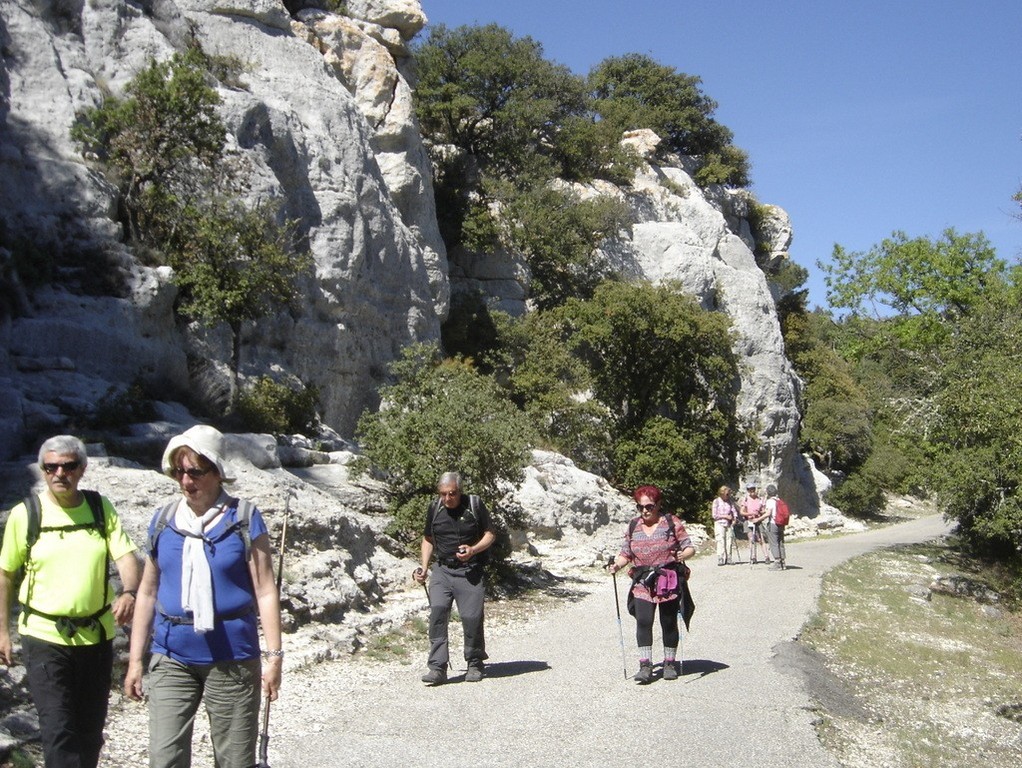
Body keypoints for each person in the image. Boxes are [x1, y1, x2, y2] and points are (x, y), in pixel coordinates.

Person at [124, 425, 283, 768]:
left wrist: (274, 657)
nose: (185, 481)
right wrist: (135, 660)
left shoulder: (243, 519)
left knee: (234, 760)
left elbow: (266, 591)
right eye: (179, 471)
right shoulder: (164, 520)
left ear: (217, 472)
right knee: (164, 758)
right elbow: (148, 592)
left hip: (232, 658)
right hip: (171, 655)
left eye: (195, 471)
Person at [0, 435, 141, 768]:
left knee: (90, 731)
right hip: (44, 637)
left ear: (82, 469)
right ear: (43, 470)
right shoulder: (27, 514)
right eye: (50, 467)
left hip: (97, 636)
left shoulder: (98, 507)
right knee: (59, 729)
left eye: (68, 465)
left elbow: (125, 556)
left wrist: (129, 591)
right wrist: (3, 632)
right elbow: (5, 574)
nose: (59, 473)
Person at [413, 472, 495, 685]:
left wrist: (473, 549)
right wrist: (423, 567)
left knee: (471, 617)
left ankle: (475, 660)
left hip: (470, 571)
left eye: (452, 494)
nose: (448, 499)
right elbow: (428, 539)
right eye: (443, 494)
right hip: (442, 570)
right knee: (438, 612)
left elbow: (490, 534)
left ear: (460, 491)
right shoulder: (435, 508)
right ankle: (437, 667)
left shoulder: (474, 505)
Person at [609, 485, 695, 684]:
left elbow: (688, 546)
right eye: (640, 507)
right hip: (642, 582)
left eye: (649, 506)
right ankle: (645, 665)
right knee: (644, 620)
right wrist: (616, 566)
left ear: (658, 505)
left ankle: (669, 663)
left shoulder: (671, 523)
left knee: (668, 621)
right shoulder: (633, 525)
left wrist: (684, 554)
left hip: (667, 580)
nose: (645, 511)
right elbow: (626, 553)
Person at [740, 484, 771, 564]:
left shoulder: (760, 499)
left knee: (761, 539)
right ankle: (753, 557)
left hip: (758, 521)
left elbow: (763, 510)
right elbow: (742, 512)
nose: (752, 491)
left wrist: (760, 512)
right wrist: (750, 513)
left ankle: (766, 556)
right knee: (751, 539)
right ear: (748, 491)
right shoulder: (746, 499)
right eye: (750, 489)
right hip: (749, 521)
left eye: (753, 489)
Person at [711, 485, 739, 565]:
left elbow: (734, 511)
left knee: (729, 540)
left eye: (728, 494)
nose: (728, 496)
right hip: (719, 523)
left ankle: (729, 557)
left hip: (729, 524)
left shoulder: (730, 502)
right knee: (720, 540)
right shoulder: (716, 501)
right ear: (722, 493)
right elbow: (714, 515)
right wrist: (725, 516)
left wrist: (734, 519)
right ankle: (721, 558)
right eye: (727, 494)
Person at [765, 484, 787, 570]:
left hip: (773, 523)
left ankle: (777, 563)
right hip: (781, 524)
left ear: (768, 492)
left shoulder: (770, 501)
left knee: (774, 543)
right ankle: (783, 562)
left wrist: (758, 519)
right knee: (780, 542)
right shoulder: (779, 500)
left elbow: (768, 513)